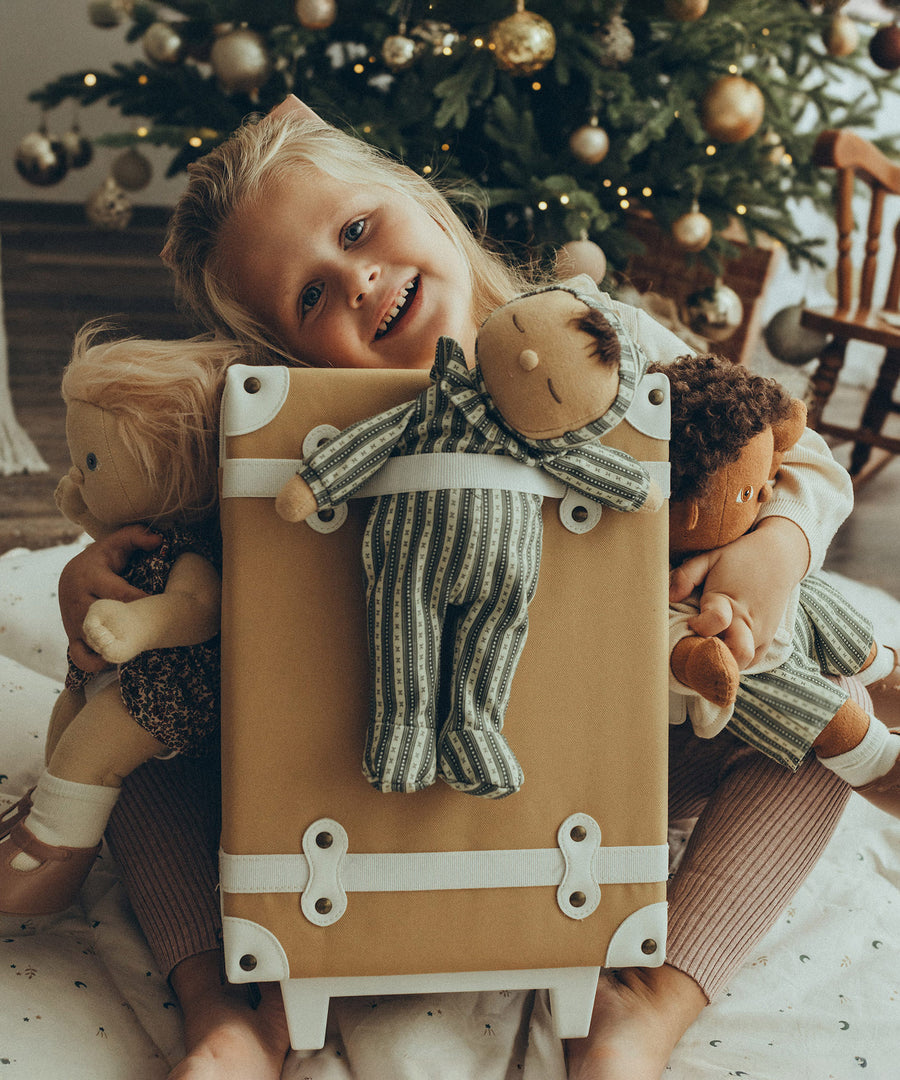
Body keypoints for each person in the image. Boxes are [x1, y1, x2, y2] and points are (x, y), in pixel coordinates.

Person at [54, 97, 883, 1080]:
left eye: (359, 229)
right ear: (294, 351)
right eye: (312, 298)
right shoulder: (295, 427)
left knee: (816, 729)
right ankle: (227, 1010)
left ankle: (649, 1006)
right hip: (358, 768)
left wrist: (777, 546)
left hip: (608, 749)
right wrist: (88, 586)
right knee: (139, 725)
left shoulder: (603, 336)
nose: (358, 280)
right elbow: (175, 559)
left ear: (424, 200)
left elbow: (788, 446)